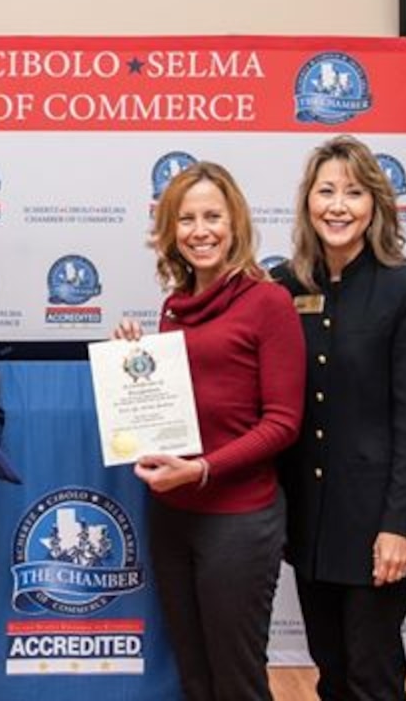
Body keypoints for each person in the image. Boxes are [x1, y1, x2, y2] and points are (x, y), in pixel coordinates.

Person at [112, 160, 304, 701]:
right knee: (193, 676)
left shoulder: (269, 302)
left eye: (213, 216)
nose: (201, 231)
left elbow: (283, 422)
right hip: (173, 515)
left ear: (235, 222)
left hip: (238, 522)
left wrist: (202, 469)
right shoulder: (174, 308)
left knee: (236, 680)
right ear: (171, 231)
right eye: (187, 219)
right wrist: (135, 359)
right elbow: (176, 407)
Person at [272, 138, 406, 701]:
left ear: (376, 204)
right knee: (331, 674)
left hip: (376, 524)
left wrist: (400, 524)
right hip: (310, 520)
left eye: (354, 192)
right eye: (326, 191)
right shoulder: (285, 285)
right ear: (307, 204)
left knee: (374, 676)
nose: (338, 206)